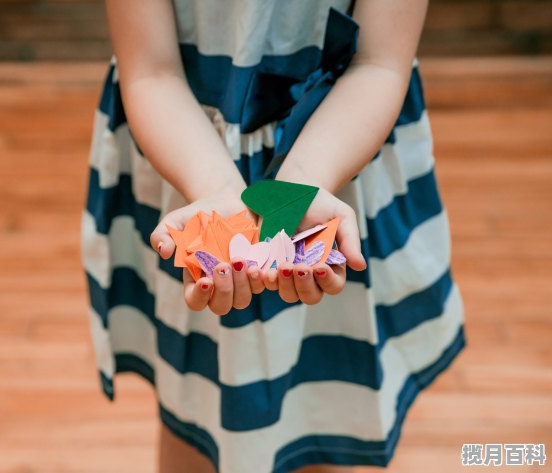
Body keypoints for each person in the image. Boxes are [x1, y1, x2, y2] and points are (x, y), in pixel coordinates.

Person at [80, 0, 466, 471]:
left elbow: (380, 62)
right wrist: (218, 191)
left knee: (326, 409)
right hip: (183, 153)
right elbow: (151, 71)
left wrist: (302, 183)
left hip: (342, 152)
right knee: (193, 407)